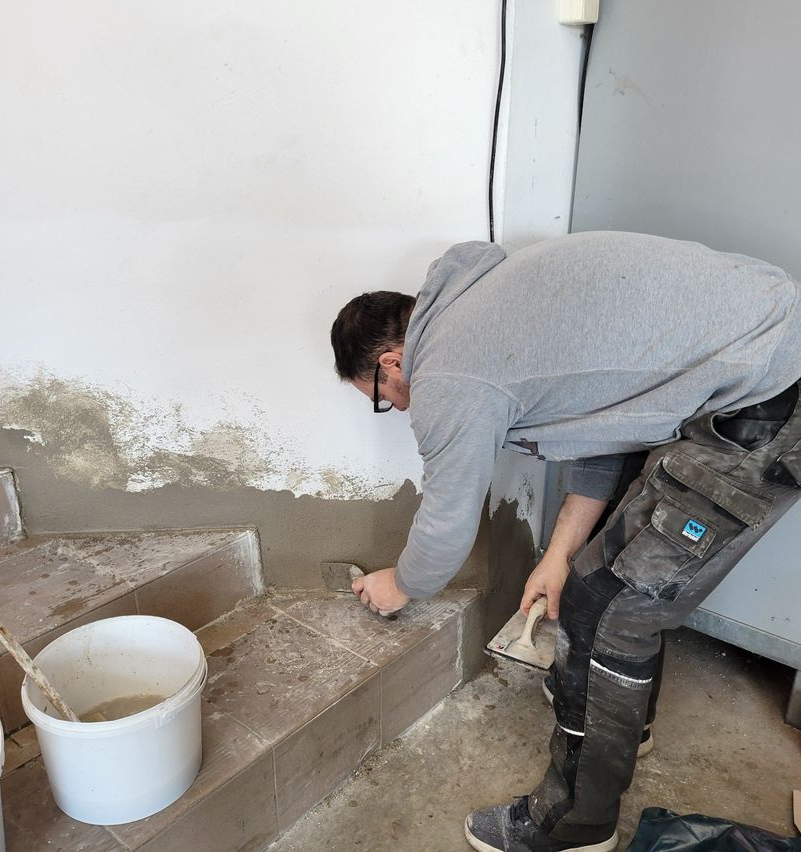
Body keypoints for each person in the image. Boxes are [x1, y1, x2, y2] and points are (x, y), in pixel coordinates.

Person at [329, 231, 801, 852]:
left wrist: (401, 584)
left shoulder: (447, 366)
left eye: (381, 400)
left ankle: (574, 826)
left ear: (391, 361)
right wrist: (556, 555)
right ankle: (625, 727)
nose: (396, 404)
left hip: (770, 393)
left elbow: (446, 525)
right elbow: (607, 434)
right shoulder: (478, 305)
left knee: (607, 609)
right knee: (600, 585)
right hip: (766, 348)